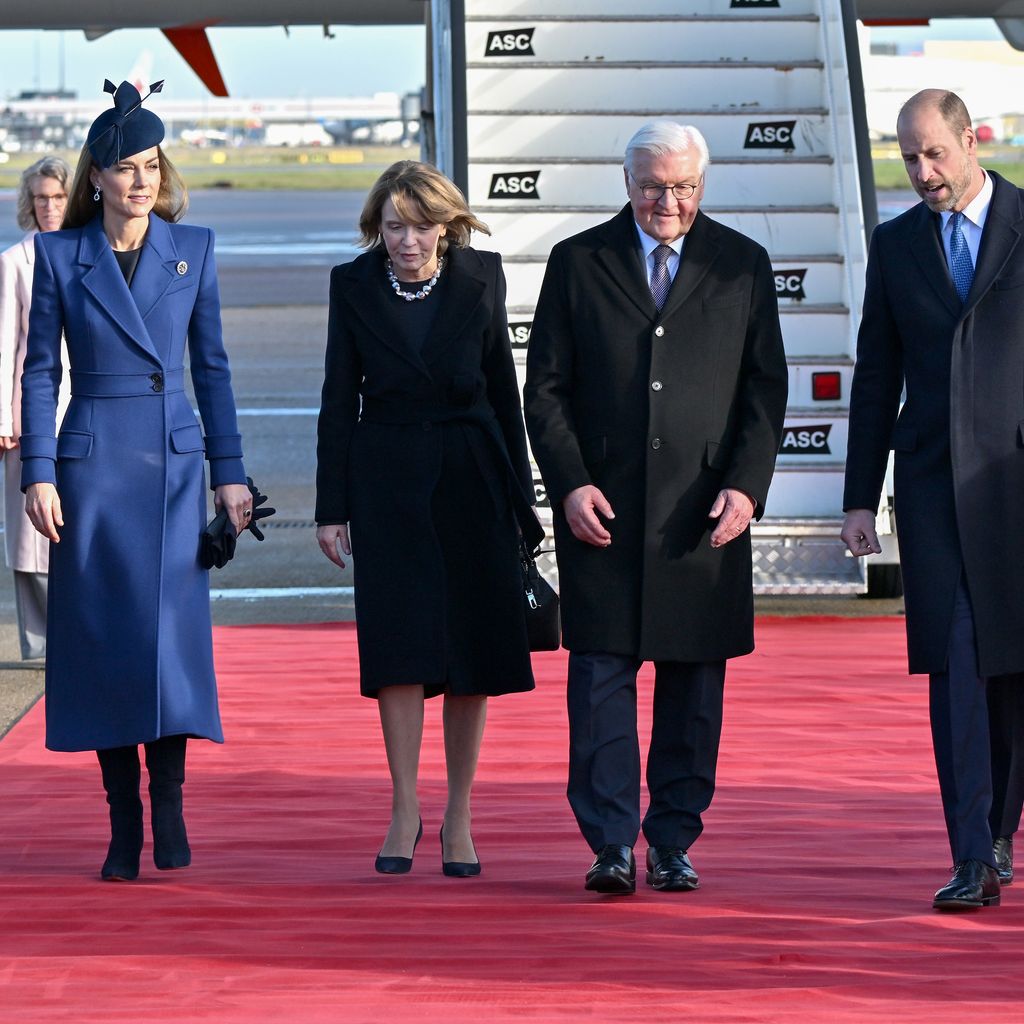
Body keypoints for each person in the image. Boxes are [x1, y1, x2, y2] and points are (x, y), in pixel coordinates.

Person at [524, 121, 788, 895]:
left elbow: (765, 389)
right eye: (652, 186)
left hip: (701, 517)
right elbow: (545, 389)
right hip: (602, 514)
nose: (666, 202)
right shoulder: (578, 262)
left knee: (693, 694)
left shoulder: (742, 262)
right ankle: (610, 844)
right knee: (599, 687)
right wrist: (570, 483)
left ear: (702, 186)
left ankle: (672, 842)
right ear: (627, 181)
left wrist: (746, 484)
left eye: (683, 187)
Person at [20, 79, 253, 881]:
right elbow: (40, 373)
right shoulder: (60, 255)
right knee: (105, 644)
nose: (140, 180)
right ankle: (123, 821)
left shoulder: (195, 248)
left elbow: (212, 369)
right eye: (125, 166)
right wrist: (39, 473)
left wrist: (231, 474)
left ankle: (171, 802)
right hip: (91, 473)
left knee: (169, 644)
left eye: (152, 165)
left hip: (175, 471)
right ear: (97, 175)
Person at [315, 160, 537, 878]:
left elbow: (504, 390)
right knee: (398, 644)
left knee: (472, 649)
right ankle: (404, 807)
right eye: (393, 227)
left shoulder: (482, 276)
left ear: (447, 225)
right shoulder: (352, 284)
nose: (407, 241)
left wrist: (522, 500)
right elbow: (337, 398)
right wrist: (331, 507)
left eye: (420, 226)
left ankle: (459, 815)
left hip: (473, 474)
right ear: (375, 228)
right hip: (385, 479)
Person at [842, 89, 1024, 912]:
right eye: (908, 157)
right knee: (955, 664)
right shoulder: (895, 245)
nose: (921, 172)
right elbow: (876, 375)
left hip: (1014, 486)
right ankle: (970, 853)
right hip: (931, 490)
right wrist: (859, 497)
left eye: (933, 154)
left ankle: (1000, 828)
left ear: (971, 141)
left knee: (1012, 669)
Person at [0, 156, 71, 661]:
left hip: (83, 411)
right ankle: (42, 644)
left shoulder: (91, 252)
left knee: (78, 526)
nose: (49, 206)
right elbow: (4, 346)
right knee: (28, 535)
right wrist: (3, 420)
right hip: (27, 416)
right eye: (41, 198)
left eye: (58, 196)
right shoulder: (13, 261)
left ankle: (81, 633)